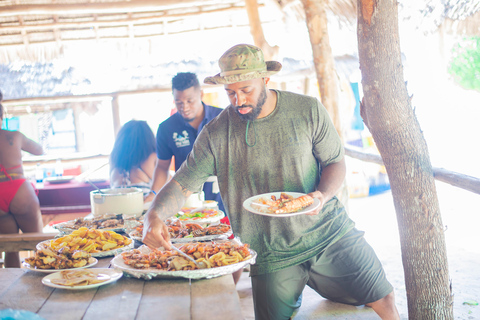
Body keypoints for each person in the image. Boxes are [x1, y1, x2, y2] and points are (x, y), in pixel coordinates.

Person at [142, 44, 400, 320]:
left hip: (328, 232)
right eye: (230, 93)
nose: (238, 100)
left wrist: (322, 195)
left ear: (265, 80)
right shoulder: (215, 133)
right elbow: (182, 183)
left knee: (382, 296)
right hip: (269, 250)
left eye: (246, 90)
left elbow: (335, 162)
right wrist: (154, 215)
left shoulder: (307, 110)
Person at [144, 72, 225, 211]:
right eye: (179, 102)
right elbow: (162, 166)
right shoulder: (166, 128)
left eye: (190, 101)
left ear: (201, 94)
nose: (184, 107)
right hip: (187, 202)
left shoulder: (222, 118)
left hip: (222, 196)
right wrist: (153, 194)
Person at [0, 90, 44, 268]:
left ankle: (11, 294)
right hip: (18, 189)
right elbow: (39, 150)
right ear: (2, 115)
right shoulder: (14, 136)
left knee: (10, 248)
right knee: (38, 245)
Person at [109, 120, 157, 198]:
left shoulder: (114, 159)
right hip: (144, 207)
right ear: (149, 139)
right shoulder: (152, 158)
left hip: (116, 207)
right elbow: (172, 183)